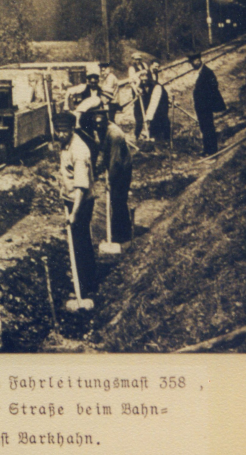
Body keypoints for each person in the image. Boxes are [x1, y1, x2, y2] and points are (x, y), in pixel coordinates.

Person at [55, 111, 98, 294]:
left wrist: (74, 213)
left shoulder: (79, 150)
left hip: (81, 202)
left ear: (72, 129)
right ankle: (83, 278)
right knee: (76, 241)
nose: (61, 134)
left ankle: (86, 286)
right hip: (71, 199)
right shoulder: (65, 144)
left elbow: (81, 187)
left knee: (80, 244)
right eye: (58, 131)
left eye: (64, 131)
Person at [89, 110, 133, 248]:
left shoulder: (115, 135)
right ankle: (117, 232)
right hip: (114, 164)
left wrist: (109, 181)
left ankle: (123, 236)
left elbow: (115, 161)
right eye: (96, 124)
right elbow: (104, 153)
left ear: (106, 121)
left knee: (118, 200)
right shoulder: (101, 130)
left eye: (100, 123)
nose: (97, 126)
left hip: (122, 168)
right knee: (115, 200)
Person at [189, 52, 226, 156]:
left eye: (194, 61)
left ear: (199, 60)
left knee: (208, 127)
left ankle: (212, 150)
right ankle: (207, 150)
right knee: (204, 127)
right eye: (192, 62)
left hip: (206, 105)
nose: (193, 63)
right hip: (201, 106)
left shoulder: (207, 72)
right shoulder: (200, 72)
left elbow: (214, 86)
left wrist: (208, 101)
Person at [142, 71, 171, 142]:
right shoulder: (145, 85)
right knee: (155, 120)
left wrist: (147, 117)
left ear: (149, 79)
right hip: (156, 104)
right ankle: (154, 137)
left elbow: (153, 103)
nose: (143, 81)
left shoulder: (156, 87)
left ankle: (166, 139)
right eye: (142, 80)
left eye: (145, 80)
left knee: (161, 119)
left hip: (161, 103)